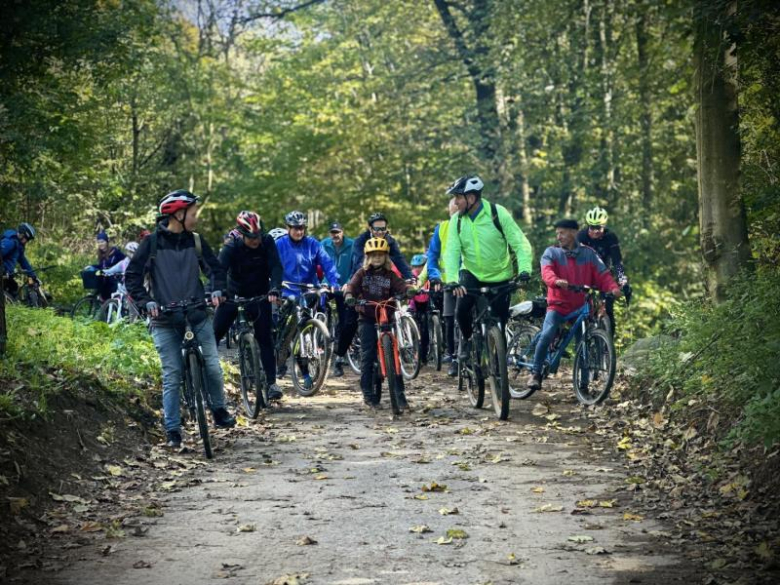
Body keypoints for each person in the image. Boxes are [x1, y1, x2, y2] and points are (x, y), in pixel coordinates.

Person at [125, 189, 235, 448]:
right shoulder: (151, 243)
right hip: (164, 319)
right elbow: (132, 278)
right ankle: (173, 430)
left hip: (197, 313)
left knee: (212, 365)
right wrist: (146, 302)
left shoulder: (195, 241)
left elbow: (215, 270)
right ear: (178, 214)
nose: (196, 218)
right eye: (193, 213)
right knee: (172, 373)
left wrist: (216, 290)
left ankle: (219, 410)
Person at [443, 175, 533, 362]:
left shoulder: (497, 213)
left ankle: (498, 363)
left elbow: (520, 243)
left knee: (500, 322)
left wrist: (525, 270)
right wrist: (451, 280)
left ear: (471, 198)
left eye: (458, 197)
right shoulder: (456, 221)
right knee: (462, 310)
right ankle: (467, 340)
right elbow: (451, 252)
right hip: (471, 273)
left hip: (500, 275)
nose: (455, 202)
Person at [527, 219, 622, 391]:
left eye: (562, 232)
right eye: (557, 233)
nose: (559, 236)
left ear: (573, 233)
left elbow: (608, 271)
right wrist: (555, 281)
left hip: (581, 304)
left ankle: (584, 384)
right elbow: (546, 271)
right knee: (547, 333)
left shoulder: (596, 249)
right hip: (558, 303)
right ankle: (535, 373)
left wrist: (616, 286)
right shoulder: (552, 252)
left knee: (583, 341)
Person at [213, 211, 284, 400]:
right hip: (233, 294)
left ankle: (271, 383)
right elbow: (219, 271)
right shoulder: (231, 247)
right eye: (252, 237)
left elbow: (276, 267)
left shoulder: (267, 242)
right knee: (214, 335)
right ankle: (207, 378)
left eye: (258, 236)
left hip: (260, 295)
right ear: (242, 234)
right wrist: (218, 292)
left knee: (265, 338)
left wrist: (275, 288)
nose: (256, 241)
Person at [344, 238, 414, 410]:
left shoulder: (390, 275)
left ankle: (399, 394)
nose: (377, 258)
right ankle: (368, 393)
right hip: (367, 318)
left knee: (394, 355)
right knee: (367, 355)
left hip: (386, 319)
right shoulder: (361, 273)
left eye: (380, 255)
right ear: (368, 257)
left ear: (386, 257)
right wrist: (349, 296)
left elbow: (401, 286)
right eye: (373, 255)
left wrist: (408, 291)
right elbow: (351, 287)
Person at [275, 210, 340, 391]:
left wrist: (333, 282)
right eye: (295, 228)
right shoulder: (280, 244)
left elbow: (327, 264)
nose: (299, 232)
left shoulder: (313, 244)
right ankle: (278, 354)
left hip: (308, 290)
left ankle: (305, 374)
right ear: (288, 228)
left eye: (302, 228)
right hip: (287, 291)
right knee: (282, 330)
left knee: (303, 333)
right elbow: (271, 267)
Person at [576, 206, 631, 335]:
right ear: (588, 226)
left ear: (604, 226)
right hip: (584, 273)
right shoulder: (581, 236)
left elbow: (617, 261)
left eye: (599, 228)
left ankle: (608, 349)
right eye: (592, 227)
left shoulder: (610, 237)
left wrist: (622, 279)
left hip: (603, 274)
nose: (595, 231)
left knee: (608, 310)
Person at [426, 197, 459, 376]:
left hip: (471, 280)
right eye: (453, 211)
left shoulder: (472, 225)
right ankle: (453, 357)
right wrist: (435, 276)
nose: (456, 214)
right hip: (448, 283)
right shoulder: (443, 228)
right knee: (449, 318)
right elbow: (432, 256)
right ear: (449, 212)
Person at [320, 222, 354, 377]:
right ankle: (318, 332)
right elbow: (320, 265)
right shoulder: (324, 245)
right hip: (329, 284)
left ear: (343, 232)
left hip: (345, 287)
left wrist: (349, 283)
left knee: (346, 320)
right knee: (315, 301)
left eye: (338, 232)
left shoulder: (352, 245)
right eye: (332, 232)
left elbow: (356, 267)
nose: (335, 235)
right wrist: (325, 283)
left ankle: (340, 357)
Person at [350, 213, 413, 279]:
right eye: (377, 229)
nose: (380, 232)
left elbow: (400, 261)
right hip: (363, 275)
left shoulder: (390, 241)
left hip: (384, 276)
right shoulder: (360, 241)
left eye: (383, 229)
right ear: (370, 229)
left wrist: (411, 278)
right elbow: (358, 263)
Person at [1, 223, 37, 298]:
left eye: (28, 240)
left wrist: (32, 275)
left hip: (7, 275)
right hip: (3, 274)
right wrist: (2, 269)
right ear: (21, 234)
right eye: (26, 238)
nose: (26, 241)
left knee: (14, 288)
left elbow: (24, 262)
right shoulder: (10, 242)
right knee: (12, 289)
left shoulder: (19, 246)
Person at [409, 253, 431, 365]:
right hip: (415, 305)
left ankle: (423, 355)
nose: (417, 269)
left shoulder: (428, 275)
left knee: (425, 330)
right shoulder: (412, 276)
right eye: (415, 266)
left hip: (427, 304)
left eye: (420, 266)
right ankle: (416, 353)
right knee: (415, 330)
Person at [92, 231, 126, 301]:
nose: (100, 244)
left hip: (115, 280)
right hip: (105, 281)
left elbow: (125, 262)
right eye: (99, 242)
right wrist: (91, 266)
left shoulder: (115, 252)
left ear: (107, 242)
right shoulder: (101, 254)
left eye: (102, 242)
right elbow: (102, 267)